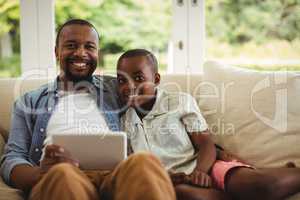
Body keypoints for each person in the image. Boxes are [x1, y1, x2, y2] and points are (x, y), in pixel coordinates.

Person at [0, 20, 176, 200]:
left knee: (144, 162)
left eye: (89, 47)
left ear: (97, 54)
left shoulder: (117, 87)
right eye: (71, 45)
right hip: (60, 176)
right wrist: (39, 173)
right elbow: (13, 157)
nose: (80, 53)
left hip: (114, 176)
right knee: (63, 174)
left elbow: (153, 96)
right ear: (56, 52)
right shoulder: (29, 101)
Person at [117, 48, 300, 200]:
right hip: (175, 183)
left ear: (156, 79)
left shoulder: (179, 102)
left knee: (264, 186)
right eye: (121, 80)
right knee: (185, 195)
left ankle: (284, 174)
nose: (129, 86)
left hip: (207, 167)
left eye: (139, 78)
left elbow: (205, 144)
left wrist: (200, 172)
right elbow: (136, 168)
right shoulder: (124, 120)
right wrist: (170, 178)